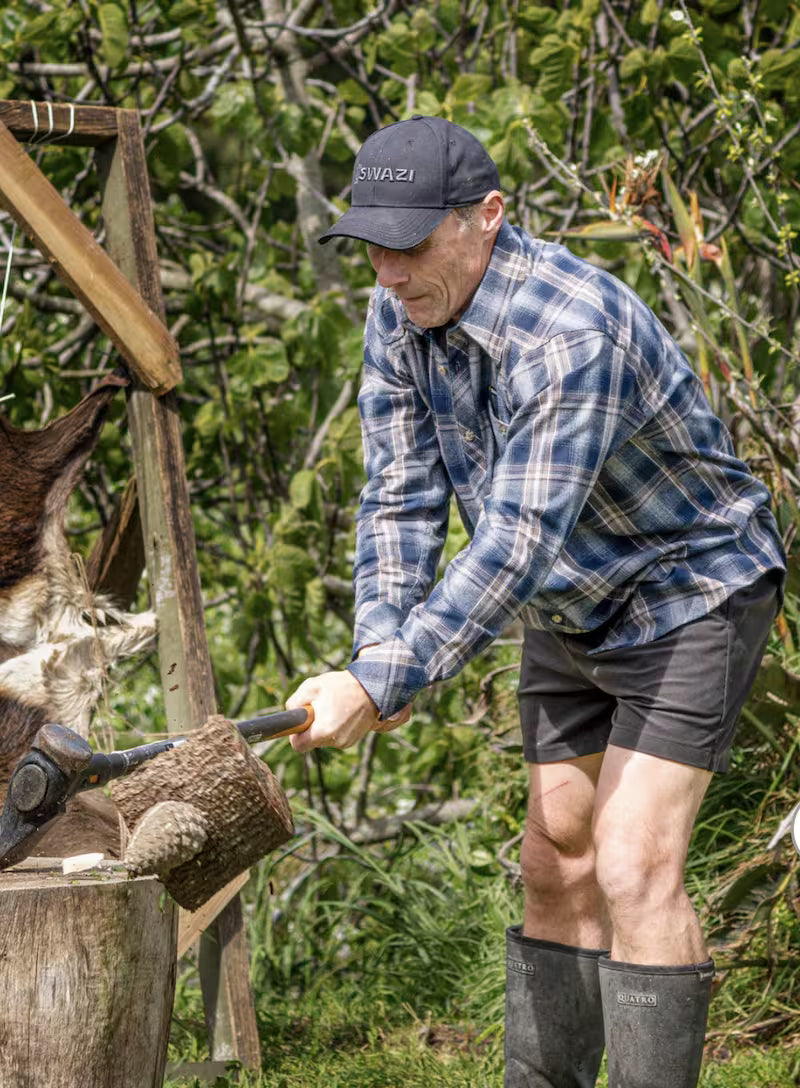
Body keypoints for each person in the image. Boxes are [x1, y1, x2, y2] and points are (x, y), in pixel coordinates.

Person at [285, 115, 786, 1087]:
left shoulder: (568, 332)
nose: (388, 272)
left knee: (632, 857)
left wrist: (380, 680)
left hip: (688, 586)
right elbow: (398, 495)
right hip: (569, 600)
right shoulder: (401, 311)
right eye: (374, 246)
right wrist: (377, 653)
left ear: (487, 217)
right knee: (556, 854)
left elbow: (512, 542)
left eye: (412, 243)